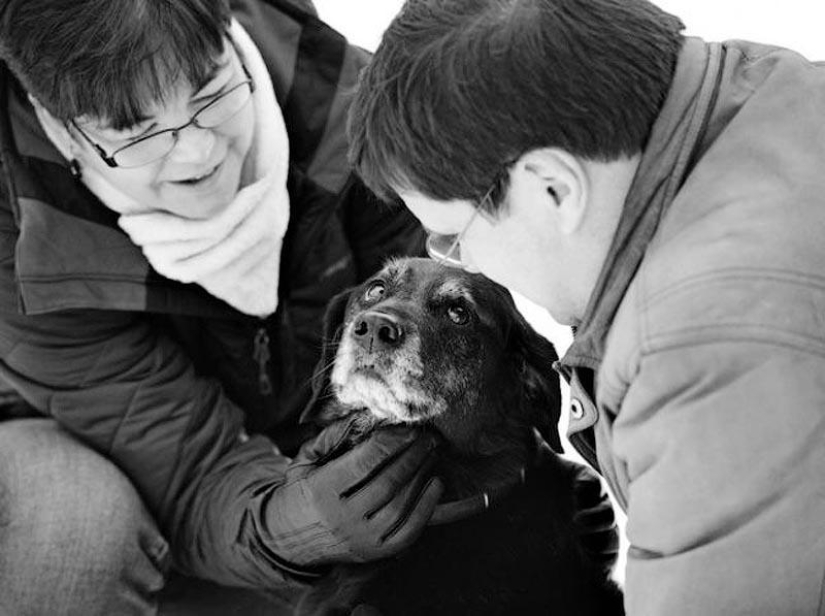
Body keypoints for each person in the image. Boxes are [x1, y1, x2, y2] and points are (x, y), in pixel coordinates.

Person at [348, 0, 825, 613]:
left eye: (454, 238)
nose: (459, 259)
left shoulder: (699, 349)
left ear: (553, 187)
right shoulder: (763, 87)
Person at [0, 0, 446, 614]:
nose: (197, 155)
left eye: (210, 91)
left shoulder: (352, 111)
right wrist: (297, 524)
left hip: (294, 447)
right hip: (97, 448)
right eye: (136, 131)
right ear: (61, 122)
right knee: (75, 530)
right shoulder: (18, 235)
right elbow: (186, 466)